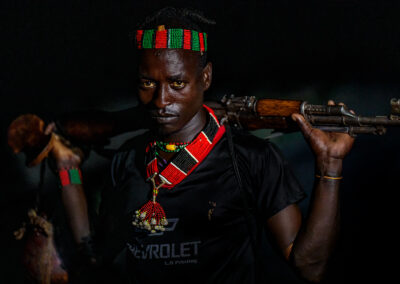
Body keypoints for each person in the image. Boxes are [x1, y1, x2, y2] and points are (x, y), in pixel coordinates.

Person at [51, 7, 355, 284]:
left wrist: (330, 166)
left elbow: (309, 268)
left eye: (177, 83)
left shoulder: (252, 159)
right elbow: (97, 259)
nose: (161, 100)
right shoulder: (128, 160)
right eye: (147, 83)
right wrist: (68, 172)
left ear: (205, 77)